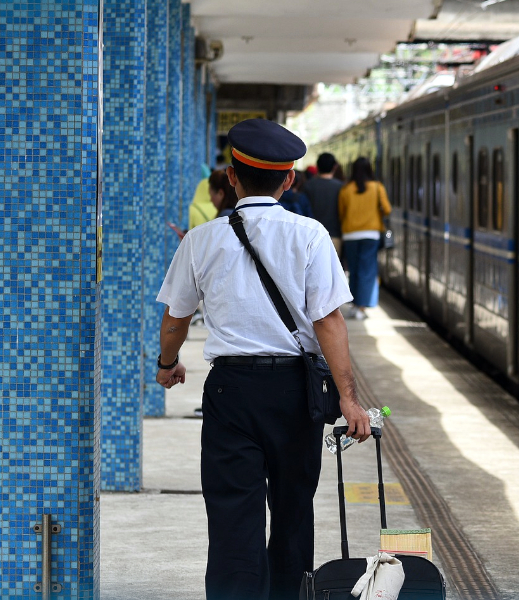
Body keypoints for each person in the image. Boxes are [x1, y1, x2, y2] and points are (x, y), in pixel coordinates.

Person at [152, 118, 371, 600]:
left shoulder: (200, 240)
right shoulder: (310, 236)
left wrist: (167, 364)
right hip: (297, 394)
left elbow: (176, 318)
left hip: (232, 392)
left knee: (234, 516)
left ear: (231, 176)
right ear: (289, 179)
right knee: (293, 511)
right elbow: (329, 322)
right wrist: (351, 401)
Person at [338, 157, 390, 320]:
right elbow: (387, 209)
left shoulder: (346, 190)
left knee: (353, 270)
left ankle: (354, 304)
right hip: (370, 235)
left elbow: (341, 213)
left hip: (350, 234)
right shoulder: (377, 187)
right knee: (367, 271)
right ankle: (362, 307)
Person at [299, 153, 344, 254]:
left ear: (317, 166)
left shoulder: (307, 186)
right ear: (334, 167)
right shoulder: (341, 187)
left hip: (311, 236)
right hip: (335, 235)